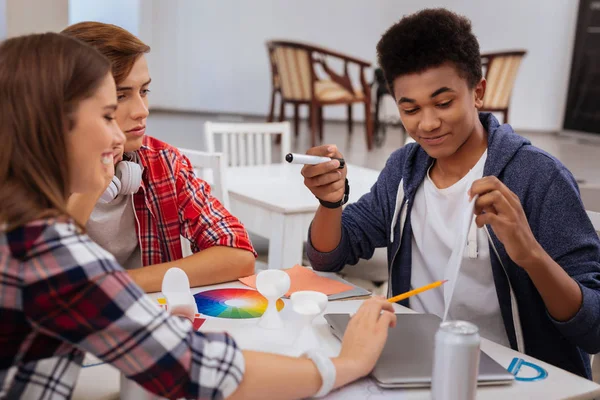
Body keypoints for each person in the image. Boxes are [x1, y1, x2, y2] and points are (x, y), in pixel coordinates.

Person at [0, 32, 396, 400]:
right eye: (109, 112)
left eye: (144, 91)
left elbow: (236, 252)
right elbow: (200, 369)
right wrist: (349, 364)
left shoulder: (30, 231)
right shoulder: (49, 254)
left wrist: (108, 284)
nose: (124, 129)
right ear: (52, 123)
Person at [302, 8, 600, 379]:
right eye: (409, 109)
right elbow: (329, 255)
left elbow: (592, 327)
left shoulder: (537, 177)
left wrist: (531, 255)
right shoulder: (404, 169)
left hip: (521, 377)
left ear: (478, 92)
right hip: (420, 365)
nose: (427, 124)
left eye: (443, 103)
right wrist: (330, 201)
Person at [63, 21, 256, 293]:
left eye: (144, 91)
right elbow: (34, 278)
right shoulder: (30, 172)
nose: (142, 111)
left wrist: (117, 284)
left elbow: (238, 253)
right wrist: (91, 188)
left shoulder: (162, 162)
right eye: (121, 95)